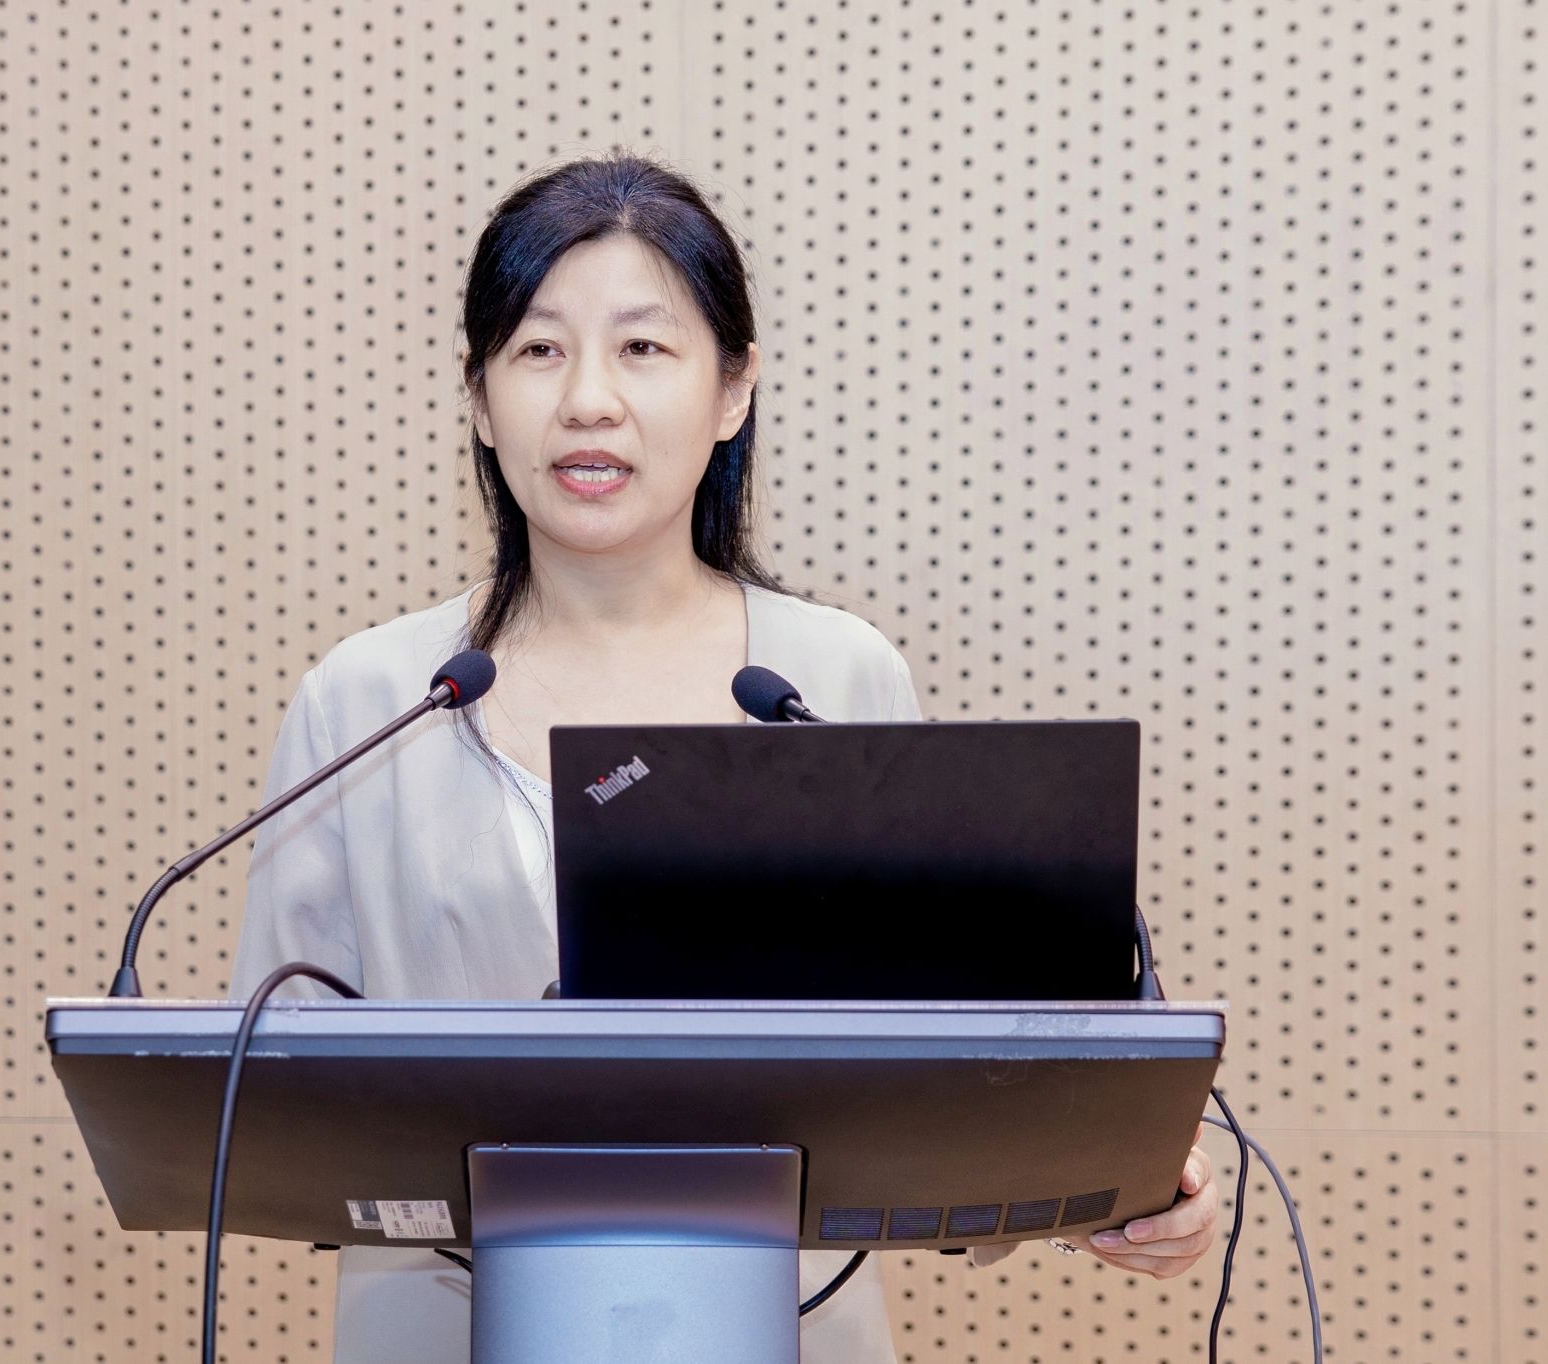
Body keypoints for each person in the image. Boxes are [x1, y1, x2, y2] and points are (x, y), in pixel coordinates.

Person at [231, 151, 1220, 1363]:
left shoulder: (830, 678)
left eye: (643, 347)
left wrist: (1109, 1181)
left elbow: (955, 1076)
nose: (587, 400)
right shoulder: (369, 697)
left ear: (731, 390)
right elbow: (266, 1108)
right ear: (480, 400)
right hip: (445, 1328)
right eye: (537, 350)